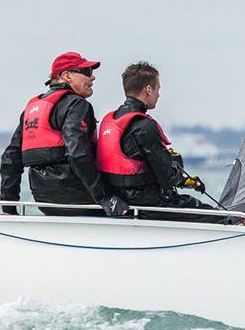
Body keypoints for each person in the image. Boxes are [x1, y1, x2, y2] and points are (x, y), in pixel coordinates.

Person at [97, 61, 237, 224]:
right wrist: (177, 164)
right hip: (149, 204)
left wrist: (185, 181)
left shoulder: (112, 121)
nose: (159, 94)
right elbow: (167, 179)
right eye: (158, 89)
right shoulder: (145, 126)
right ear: (148, 89)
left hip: (121, 200)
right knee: (222, 218)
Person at [0, 52, 129, 217]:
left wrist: (8, 209)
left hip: (44, 201)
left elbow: (10, 158)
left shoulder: (32, 109)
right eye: (87, 72)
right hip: (78, 199)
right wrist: (106, 198)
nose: (93, 78)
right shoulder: (77, 105)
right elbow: (77, 154)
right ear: (66, 76)